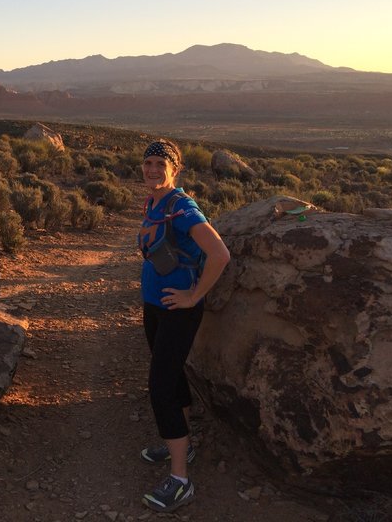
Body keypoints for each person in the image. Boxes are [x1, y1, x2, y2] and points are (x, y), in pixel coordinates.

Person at [136, 138, 230, 513]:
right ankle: (184, 445)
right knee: (172, 378)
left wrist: (193, 297)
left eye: (162, 165)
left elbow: (219, 253)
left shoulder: (182, 208)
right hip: (155, 306)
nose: (154, 170)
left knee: (160, 388)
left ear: (176, 170)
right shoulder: (153, 201)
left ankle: (180, 480)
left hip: (178, 310)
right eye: (148, 163)